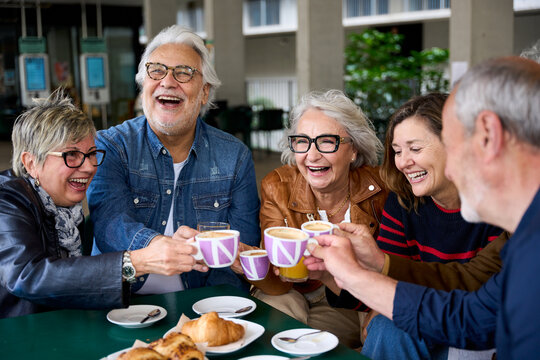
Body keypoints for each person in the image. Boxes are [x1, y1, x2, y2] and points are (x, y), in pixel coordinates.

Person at [306, 56, 540, 358]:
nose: (452, 171)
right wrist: (357, 272)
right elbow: (472, 318)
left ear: (489, 134)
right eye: (398, 152)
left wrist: (363, 273)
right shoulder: (523, 238)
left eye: (453, 147)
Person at [86, 25, 260, 294]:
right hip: (121, 299)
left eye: (184, 72)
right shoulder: (112, 145)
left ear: (204, 92)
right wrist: (160, 245)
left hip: (201, 301)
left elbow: (239, 254)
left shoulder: (234, 156)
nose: (167, 81)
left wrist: (212, 308)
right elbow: (110, 226)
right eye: (156, 70)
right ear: (144, 83)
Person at [0, 90, 198, 318]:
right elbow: (28, 276)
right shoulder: (7, 200)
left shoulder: (66, 211)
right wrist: (134, 262)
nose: (89, 167)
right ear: (31, 162)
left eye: (92, 153)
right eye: (71, 155)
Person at [252, 89, 388, 348]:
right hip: (292, 289)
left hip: (351, 295)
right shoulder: (276, 185)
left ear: (353, 151)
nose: (312, 156)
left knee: (309, 342)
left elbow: (390, 270)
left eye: (327, 141)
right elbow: (275, 275)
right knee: (269, 329)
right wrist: (250, 263)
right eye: (302, 141)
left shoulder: (383, 189)